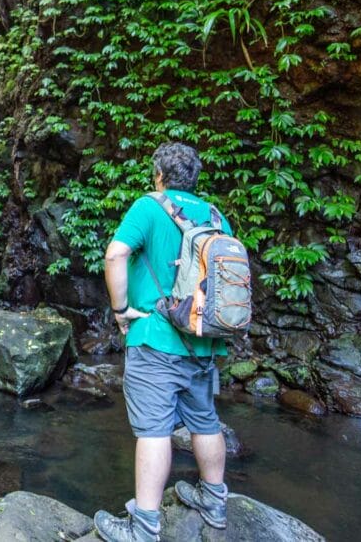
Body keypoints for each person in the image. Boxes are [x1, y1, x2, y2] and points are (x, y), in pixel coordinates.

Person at [94, 142, 231, 542]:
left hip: (156, 337)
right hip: (203, 342)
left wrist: (120, 312)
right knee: (205, 420)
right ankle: (214, 502)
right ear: (194, 179)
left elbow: (115, 255)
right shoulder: (215, 216)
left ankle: (144, 526)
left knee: (153, 430)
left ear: (158, 174)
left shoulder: (149, 207)